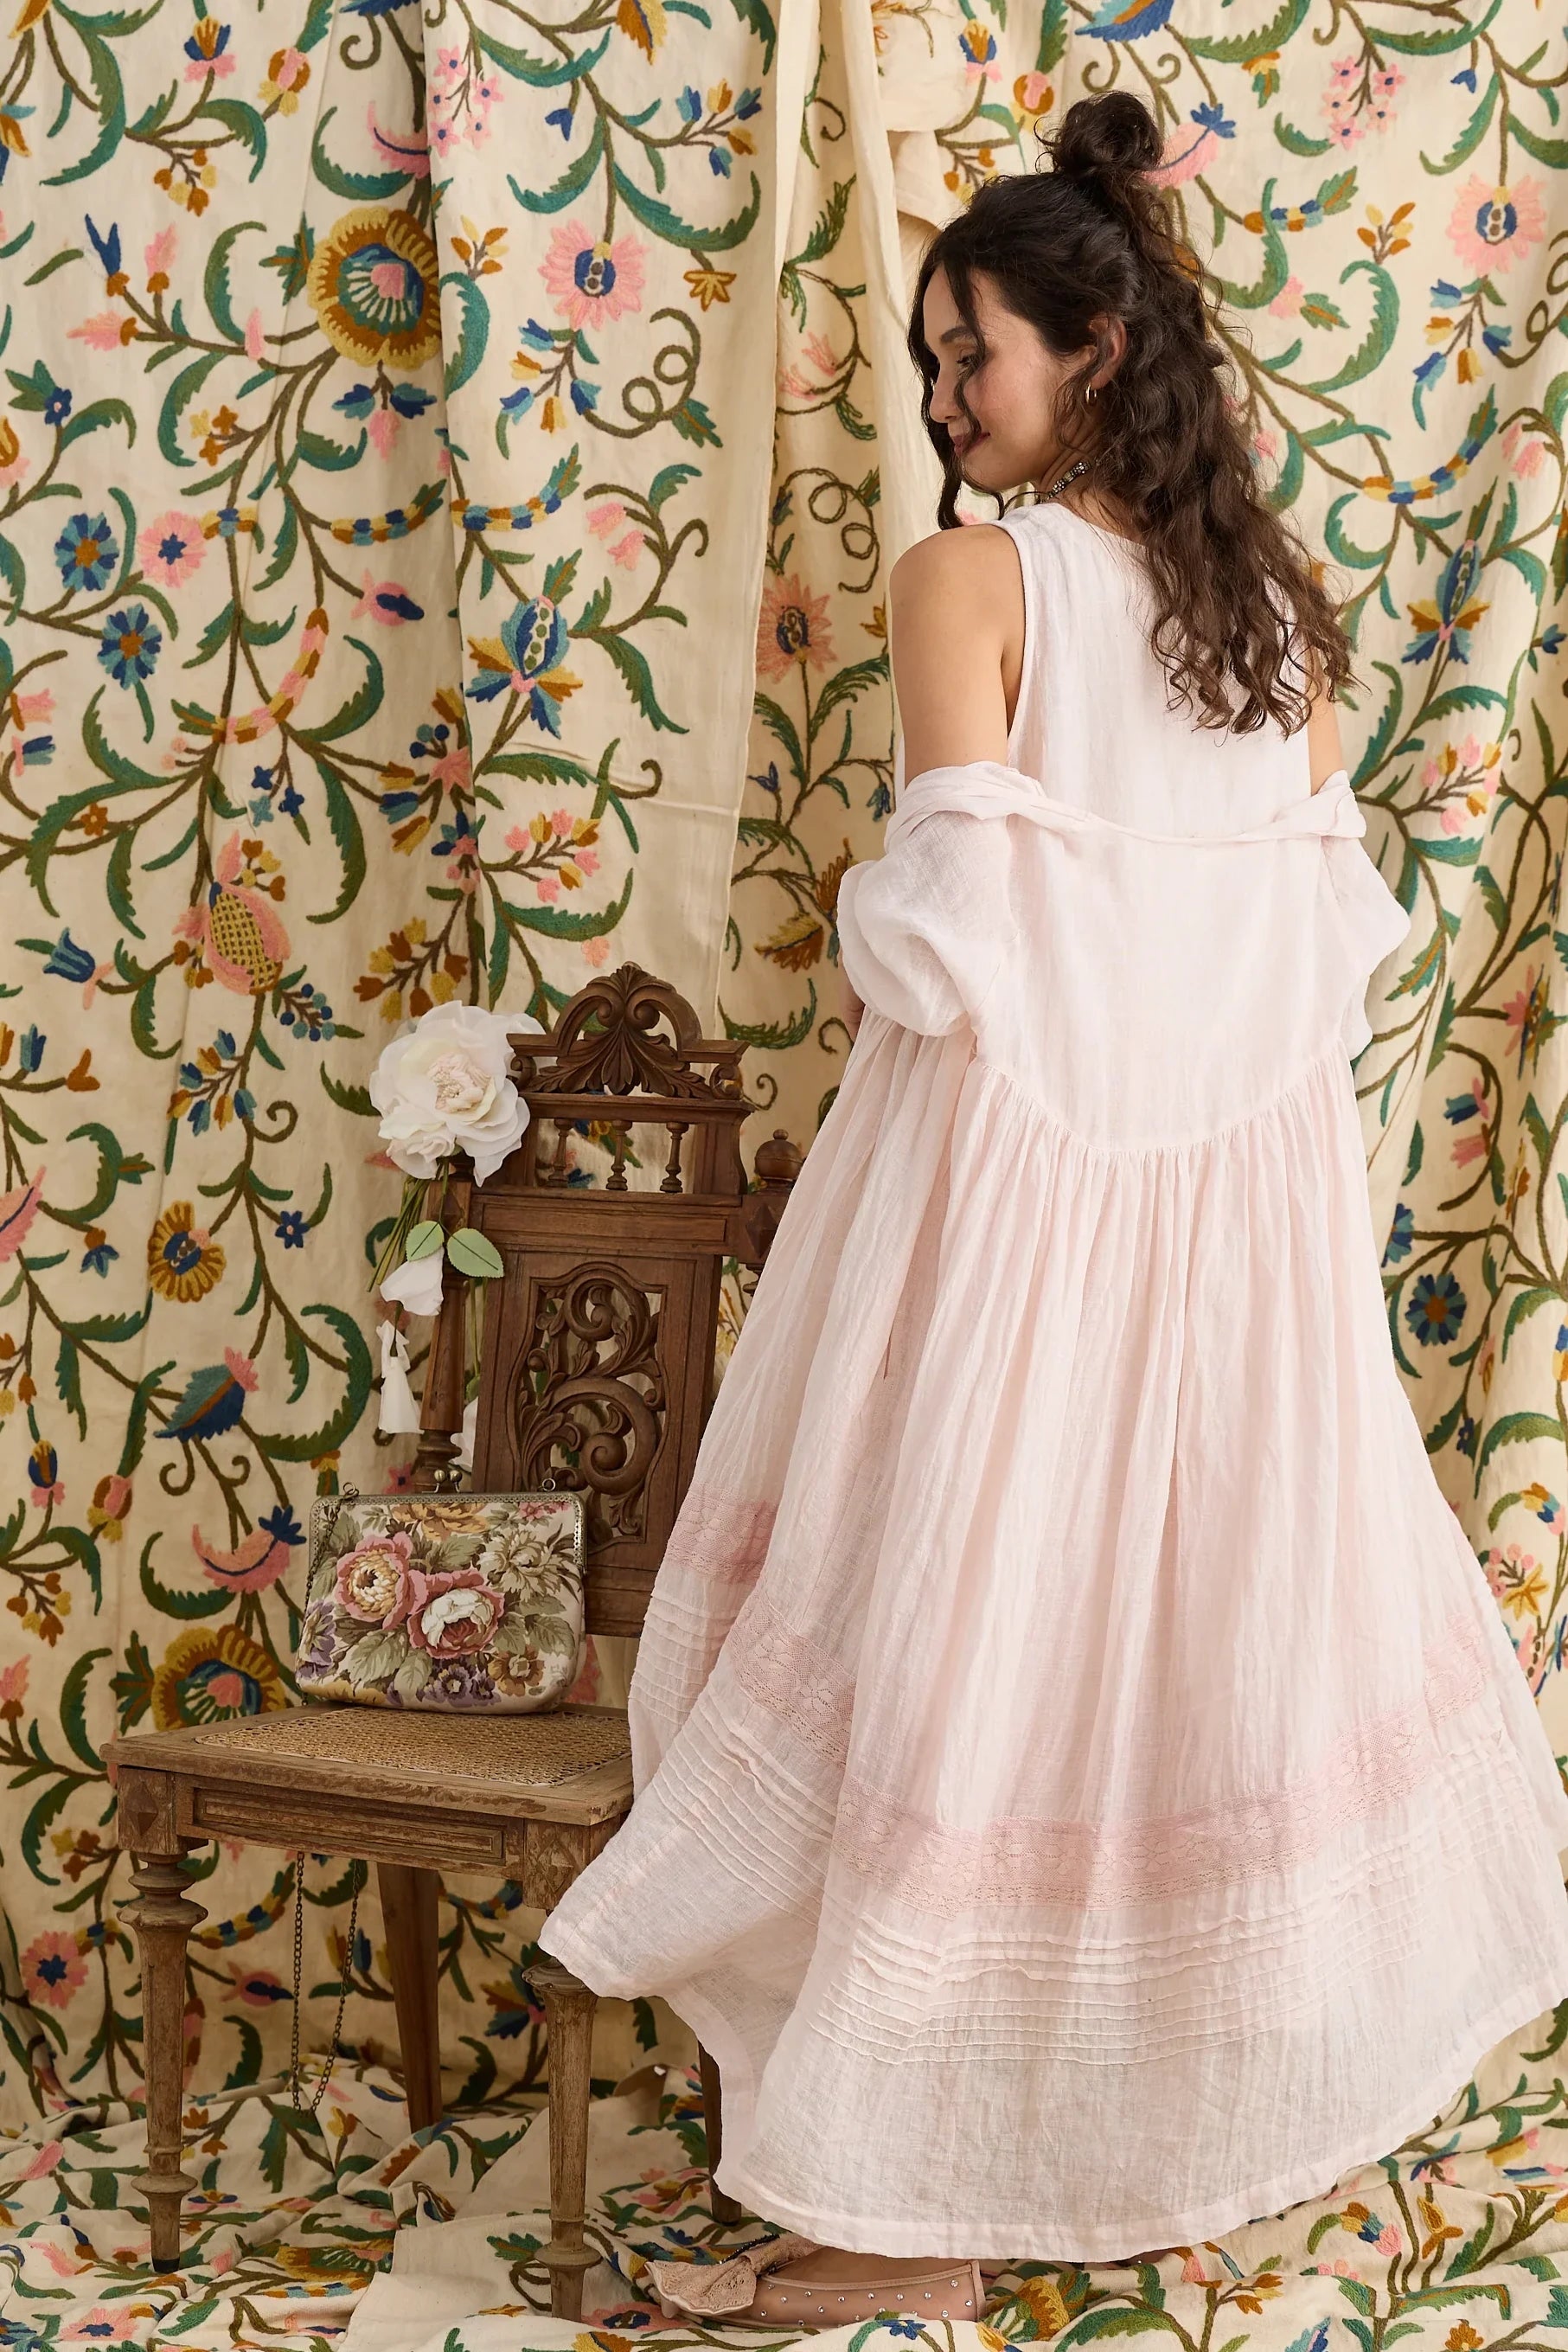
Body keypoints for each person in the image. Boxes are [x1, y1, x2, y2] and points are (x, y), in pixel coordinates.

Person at [539, 88, 1568, 2316]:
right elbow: (1307, 955)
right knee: (1168, 1669)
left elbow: (943, 940)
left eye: (966, 353)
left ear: (1091, 348)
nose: (940, 399)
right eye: (930, 362)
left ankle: (896, 2211)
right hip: (1236, 1231)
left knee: (962, 1653)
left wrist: (893, 943)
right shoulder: (1273, 620)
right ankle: (1094, 2157)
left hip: (1004, 1204)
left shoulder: (970, 580)